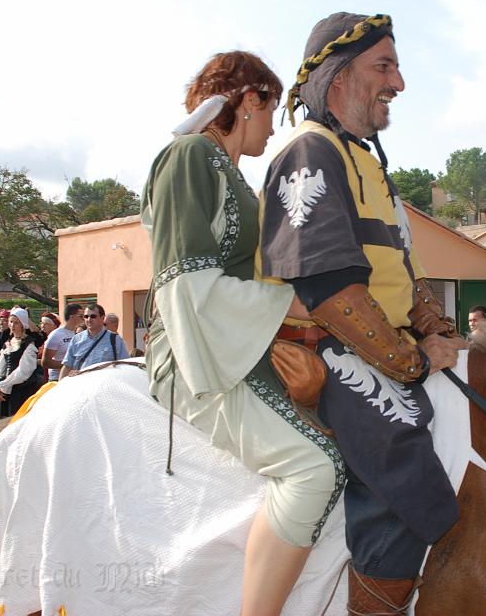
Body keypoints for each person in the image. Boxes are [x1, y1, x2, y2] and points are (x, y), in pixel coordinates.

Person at [259, 12, 465, 613]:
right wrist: (414, 359)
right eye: (384, 66)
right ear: (340, 76)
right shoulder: (310, 151)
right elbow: (328, 288)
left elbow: (405, 269)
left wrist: (440, 330)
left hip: (371, 338)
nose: (398, 83)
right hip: (322, 342)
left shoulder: (366, 161)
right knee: (402, 471)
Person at [142, 50, 345, 616]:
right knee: (316, 467)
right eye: (272, 110)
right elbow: (184, 285)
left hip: (236, 339)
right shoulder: (188, 155)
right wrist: (297, 306)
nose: (274, 127)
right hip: (196, 351)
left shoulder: (226, 170)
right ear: (249, 100)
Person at [0, 307, 41, 417]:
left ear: (22, 324)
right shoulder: (8, 342)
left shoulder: (29, 344)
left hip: (22, 389)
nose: (12, 325)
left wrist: (2, 385)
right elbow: (0, 367)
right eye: (11, 322)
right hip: (6, 389)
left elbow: (23, 371)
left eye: (16, 323)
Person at [58, 304, 129, 378]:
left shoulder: (115, 340)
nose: (89, 319)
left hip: (105, 383)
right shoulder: (76, 339)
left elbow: (125, 365)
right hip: (81, 382)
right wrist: (60, 384)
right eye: (86, 316)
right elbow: (67, 366)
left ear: (102, 318)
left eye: (93, 316)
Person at [41, 304, 81, 382]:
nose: (84, 318)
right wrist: (68, 365)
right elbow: (45, 362)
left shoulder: (77, 333)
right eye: (81, 316)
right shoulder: (56, 335)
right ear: (72, 317)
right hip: (57, 379)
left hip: (73, 378)